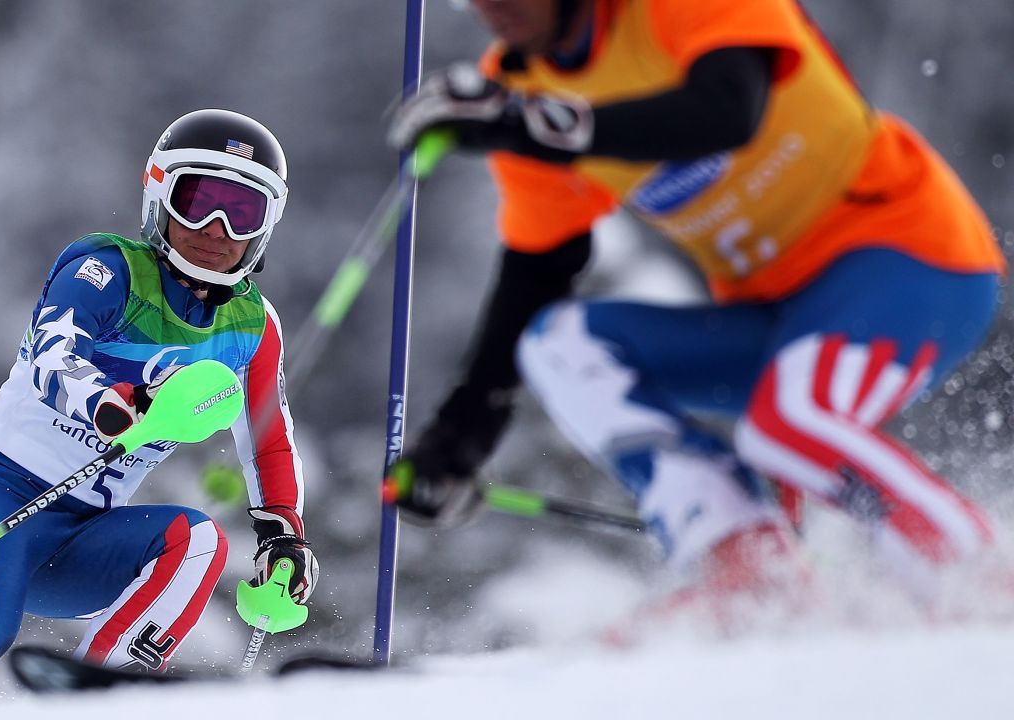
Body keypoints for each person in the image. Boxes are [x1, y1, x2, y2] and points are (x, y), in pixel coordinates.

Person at [387, 0, 1005, 626]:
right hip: (775, 317)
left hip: (909, 259)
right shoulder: (520, 91)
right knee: (561, 346)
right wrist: (459, 439)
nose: (492, 8)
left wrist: (539, 124)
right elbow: (537, 269)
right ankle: (749, 572)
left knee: (790, 421)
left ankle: (983, 585)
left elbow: (725, 109)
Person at [0, 109, 318, 707]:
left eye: (243, 212)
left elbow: (267, 436)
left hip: (82, 538)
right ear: (160, 195)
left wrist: (283, 535)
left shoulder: (253, 326)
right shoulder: (105, 268)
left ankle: (102, 693)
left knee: (200, 541)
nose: (215, 229)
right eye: (198, 201)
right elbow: (53, 354)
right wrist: (115, 405)